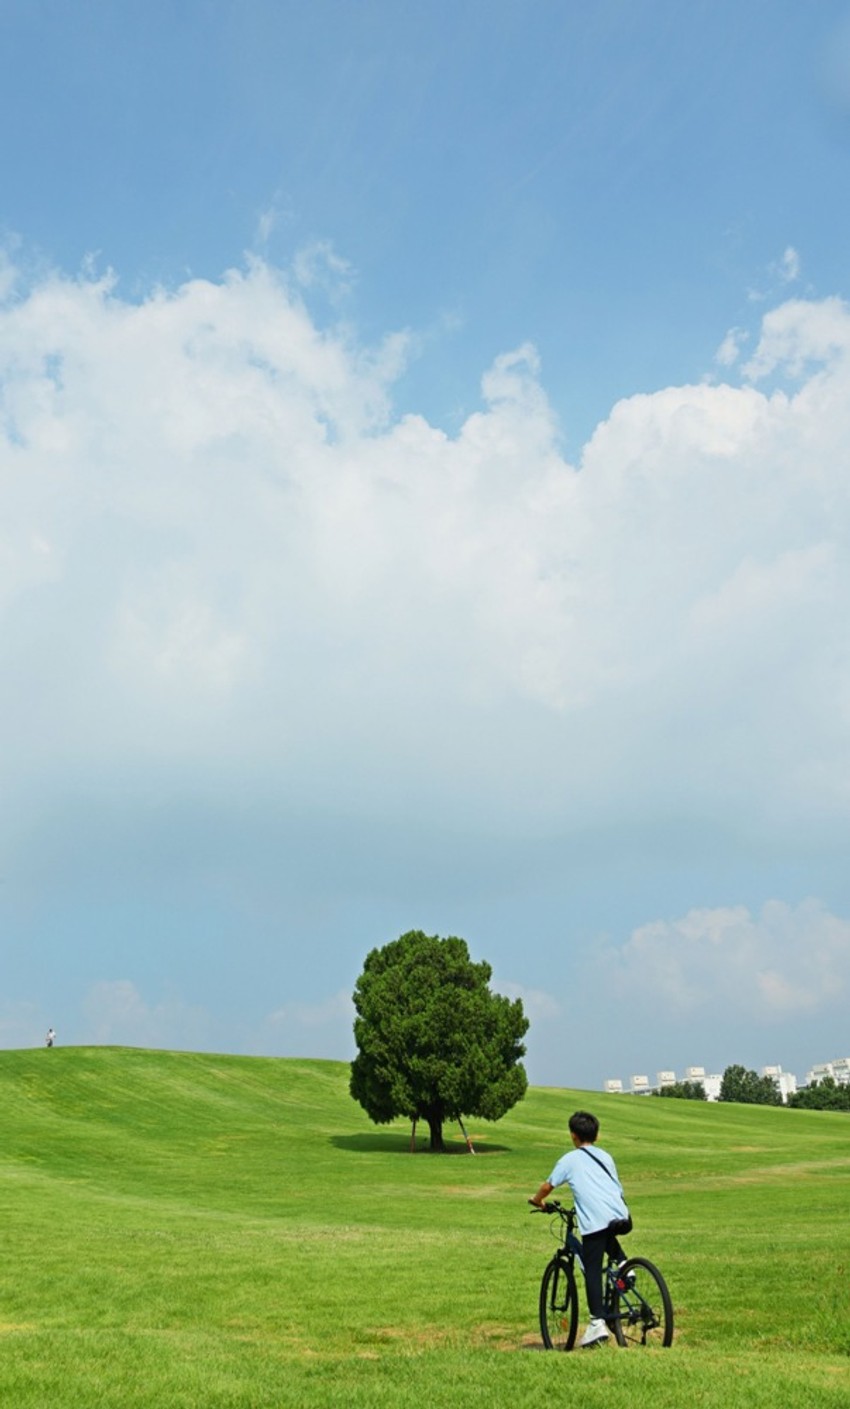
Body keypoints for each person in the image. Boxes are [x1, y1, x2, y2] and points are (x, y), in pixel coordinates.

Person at [529, 1109, 631, 1348]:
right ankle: (627, 1267)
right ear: (597, 1135)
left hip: (594, 1220)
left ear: (573, 1135)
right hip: (620, 1214)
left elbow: (547, 1186)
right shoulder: (605, 1156)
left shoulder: (570, 1159)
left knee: (592, 1269)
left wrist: (537, 1201)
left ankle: (596, 1325)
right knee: (607, 1238)